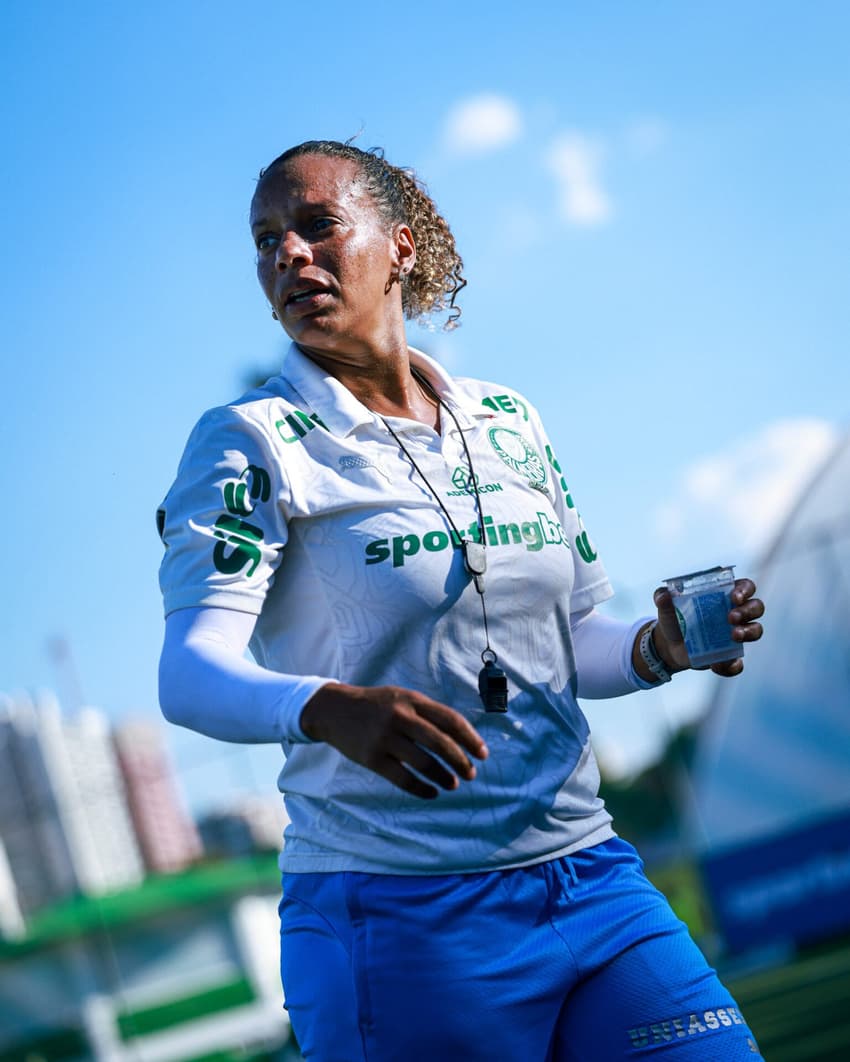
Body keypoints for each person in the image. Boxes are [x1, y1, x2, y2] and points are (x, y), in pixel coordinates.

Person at [157, 140, 766, 1061]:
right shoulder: (249, 441)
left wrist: (656, 649)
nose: (288, 255)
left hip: (593, 877)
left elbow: (574, 639)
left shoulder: (507, 418)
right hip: (400, 915)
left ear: (400, 247)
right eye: (266, 241)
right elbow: (189, 672)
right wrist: (324, 707)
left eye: (317, 226)